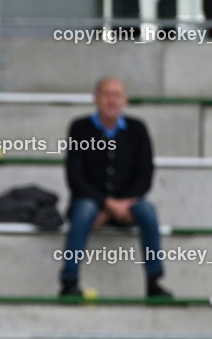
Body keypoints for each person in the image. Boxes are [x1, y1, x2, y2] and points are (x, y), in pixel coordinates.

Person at [59, 76, 172, 299]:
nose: (111, 100)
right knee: (84, 211)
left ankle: (154, 281)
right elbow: (75, 177)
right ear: (95, 98)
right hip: (90, 202)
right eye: (106, 94)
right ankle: (69, 280)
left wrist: (120, 205)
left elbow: (145, 175)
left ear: (125, 101)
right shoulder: (79, 128)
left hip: (126, 203)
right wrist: (107, 203)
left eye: (116, 95)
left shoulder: (137, 129)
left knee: (148, 212)